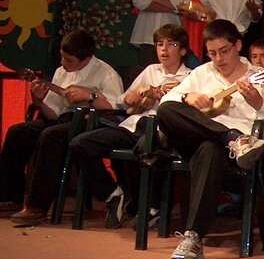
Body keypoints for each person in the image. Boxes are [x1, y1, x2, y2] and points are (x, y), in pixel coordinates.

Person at [155, 19, 264, 259]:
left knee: (210, 150)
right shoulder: (201, 73)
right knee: (166, 111)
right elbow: (168, 104)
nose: (218, 58)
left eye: (224, 51)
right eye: (212, 53)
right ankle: (230, 137)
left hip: (229, 153)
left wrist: (260, 105)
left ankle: (193, 238)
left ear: (238, 45)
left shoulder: (258, 76)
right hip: (199, 140)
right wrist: (188, 96)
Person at [69, 24, 190, 228]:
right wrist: (131, 97)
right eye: (160, 44)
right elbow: (122, 100)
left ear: (183, 50)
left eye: (171, 44)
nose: (164, 49)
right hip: (132, 126)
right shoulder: (150, 70)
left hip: (161, 131)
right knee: (80, 144)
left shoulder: (189, 77)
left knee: (143, 147)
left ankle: (151, 205)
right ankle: (112, 193)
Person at [0, 29, 124, 223]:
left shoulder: (106, 74)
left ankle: (36, 206)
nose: (63, 64)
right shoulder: (61, 72)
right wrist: (39, 101)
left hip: (90, 123)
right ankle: (10, 196)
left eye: (69, 61)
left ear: (86, 60)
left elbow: (115, 111)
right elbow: (54, 113)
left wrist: (89, 96)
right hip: (63, 120)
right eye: (62, 58)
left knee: (51, 136)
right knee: (18, 132)